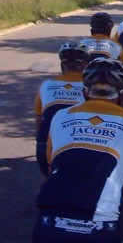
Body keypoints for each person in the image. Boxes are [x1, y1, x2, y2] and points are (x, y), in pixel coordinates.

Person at [32, 58, 123, 243]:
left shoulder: (60, 117)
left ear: (85, 91)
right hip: (100, 227)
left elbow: (51, 171)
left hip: (50, 223)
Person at [33, 40, 92, 177]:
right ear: (86, 65)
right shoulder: (90, 88)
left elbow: (38, 122)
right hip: (79, 145)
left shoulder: (46, 85)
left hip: (46, 143)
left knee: (49, 186)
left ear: (62, 65)